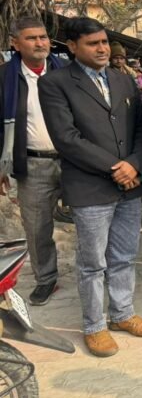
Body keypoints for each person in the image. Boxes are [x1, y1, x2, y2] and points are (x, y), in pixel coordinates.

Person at [38, 17, 142, 357]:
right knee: (92, 262)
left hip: (129, 183)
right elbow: (66, 138)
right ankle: (94, 326)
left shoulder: (123, 80)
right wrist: (115, 167)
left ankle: (122, 313)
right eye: (93, 43)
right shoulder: (55, 83)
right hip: (90, 186)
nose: (103, 48)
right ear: (73, 46)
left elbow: (141, 129)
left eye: (104, 42)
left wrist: (134, 163)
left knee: (124, 255)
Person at [0, 16, 64, 305]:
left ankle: (94, 274)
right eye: (31, 38)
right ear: (15, 43)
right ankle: (46, 279)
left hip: (75, 161)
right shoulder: (5, 78)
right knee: (37, 227)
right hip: (33, 163)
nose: (40, 43)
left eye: (43, 37)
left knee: (91, 221)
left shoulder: (67, 72)